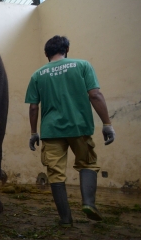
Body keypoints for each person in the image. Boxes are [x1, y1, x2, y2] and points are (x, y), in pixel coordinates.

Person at [25, 35, 116, 227]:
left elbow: (33, 107)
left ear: (46, 54)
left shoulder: (37, 75)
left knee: (55, 173)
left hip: (51, 131)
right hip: (79, 126)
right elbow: (95, 95)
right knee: (87, 164)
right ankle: (89, 204)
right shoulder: (82, 65)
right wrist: (107, 123)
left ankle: (65, 219)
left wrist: (33, 132)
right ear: (66, 50)